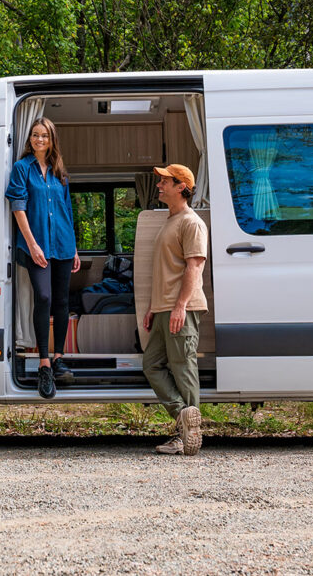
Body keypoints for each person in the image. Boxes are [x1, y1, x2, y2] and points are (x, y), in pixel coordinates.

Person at [6, 117, 81, 399]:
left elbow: (67, 210)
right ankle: (45, 363)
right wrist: (31, 243)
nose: (40, 140)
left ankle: (60, 357)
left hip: (62, 243)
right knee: (44, 298)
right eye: (36, 135)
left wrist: (73, 248)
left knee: (62, 300)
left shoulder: (59, 171)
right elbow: (18, 206)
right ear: (30, 139)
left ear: (51, 140)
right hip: (35, 245)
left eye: (45, 136)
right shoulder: (22, 168)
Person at [142, 163, 208, 456]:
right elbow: (166, 270)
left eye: (165, 181)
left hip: (181, 307)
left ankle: (186, 436)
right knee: (152, 365)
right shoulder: (171, 220)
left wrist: (180, 305)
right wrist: (153, 307)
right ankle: (183, 414)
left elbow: (194, 266)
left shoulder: (191, 222)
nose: (159, 185)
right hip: (164, 307)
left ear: (181, 186)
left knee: (183, 367)